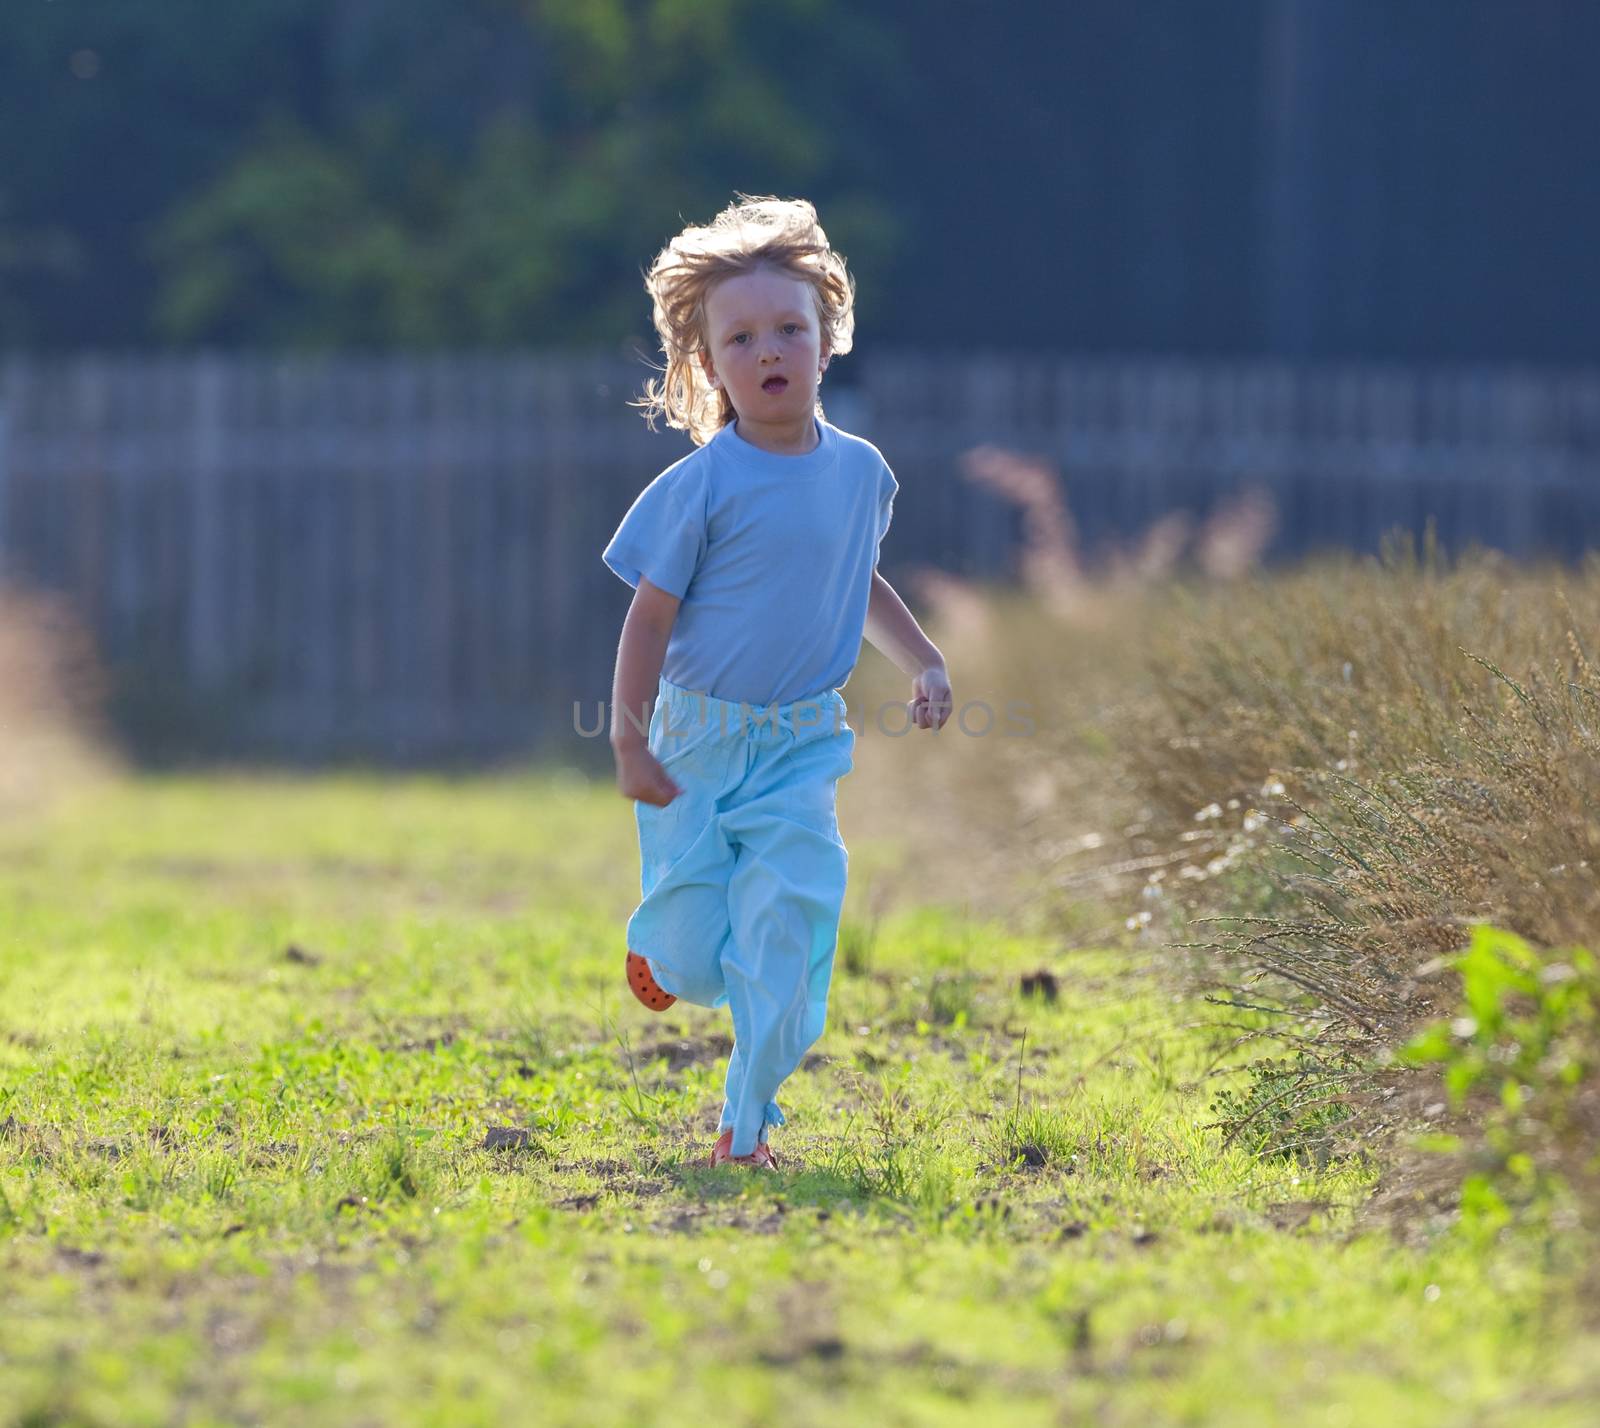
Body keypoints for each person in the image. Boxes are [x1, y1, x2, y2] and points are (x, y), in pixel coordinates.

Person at [601, 194, 953, 1171]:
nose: (769, 352)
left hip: (800, 743)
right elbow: (649, 616)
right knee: (691, 937)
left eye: (789, 329)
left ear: (828, 337)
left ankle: (743, 1122)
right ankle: (662, 950)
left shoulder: (860, 474)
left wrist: (922, 659)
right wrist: (630, 739)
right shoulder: (699, 488)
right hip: (696, 740)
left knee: (787, 926)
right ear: (707, 362)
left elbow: (859, 580)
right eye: (742, 337)